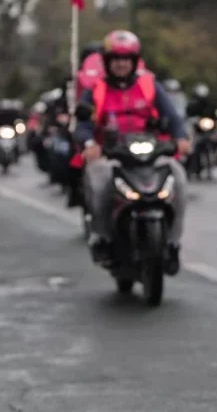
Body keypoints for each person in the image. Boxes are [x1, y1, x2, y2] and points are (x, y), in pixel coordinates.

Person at [73, 30, 191, 272]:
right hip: (111, 155)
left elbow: (172, 116)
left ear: (135, 61)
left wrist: (181, 138)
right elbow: (83, 126)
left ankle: (172, 244)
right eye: (116, 58)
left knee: (179, 179)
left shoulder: (150, 85)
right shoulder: (96, 90)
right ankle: (102, 238)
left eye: (126, 58)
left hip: (151, 153)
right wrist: (89, 145)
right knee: (98, 183)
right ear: (107, 61)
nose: (121, 64)